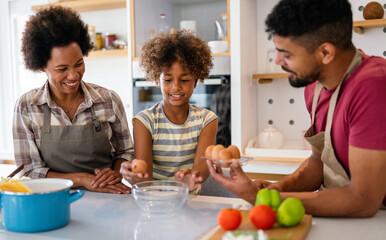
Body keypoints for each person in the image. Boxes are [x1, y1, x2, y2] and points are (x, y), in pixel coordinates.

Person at [207, 0, 386, 217]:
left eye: (287, 54)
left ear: (326, 53)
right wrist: (278, 188)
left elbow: (364, 201)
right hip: (339, 214)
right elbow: (317, 164)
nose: (278, 60)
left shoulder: (373, 85)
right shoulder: (314, 86)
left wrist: (264, 200)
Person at [13, 6, 133, 194]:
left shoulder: (108, 100)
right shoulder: (27, 107)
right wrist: (81, 179)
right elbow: (29, 171)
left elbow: (126, 152)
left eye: (79, 64)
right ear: (41, 67)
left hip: (107, 197)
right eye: (62, 69)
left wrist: (117, 172)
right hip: (52, 199)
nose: (73, 75)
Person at [120, 30, 218, 192]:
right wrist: (135, 175)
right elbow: (145, 175)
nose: (176, 87)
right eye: (168, 79)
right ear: (157, 79)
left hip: (190, 201)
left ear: (196, 80)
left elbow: (203, 168)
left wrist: (192, 177)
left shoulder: (207, 119)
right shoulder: (144, 121)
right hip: (154, 202)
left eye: (185, 79)